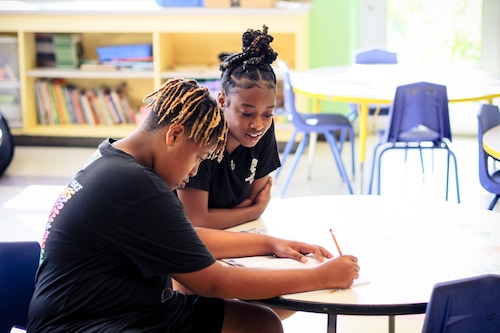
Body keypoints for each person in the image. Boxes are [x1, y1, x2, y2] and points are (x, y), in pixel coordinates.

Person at [28, 78, 360, 333]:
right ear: (173, 136)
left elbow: (187, 236)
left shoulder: (116, 160)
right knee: (257, 319)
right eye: (198, 158)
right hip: (88, 324)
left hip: (119, 308)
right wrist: (320, 276)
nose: (194, 172)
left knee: (259, 320)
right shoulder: (136, 184)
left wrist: (271, 242)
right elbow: (214, 281)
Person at [177, 25, 281, 229]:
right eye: (246, 113)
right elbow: (195, 221)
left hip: (239, 230)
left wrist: (219, 215)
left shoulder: (263, 131)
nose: (258, 124)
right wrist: (253, 211)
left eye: (268, 114)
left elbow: (255, 196)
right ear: (222, 100)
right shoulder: (201, 135)